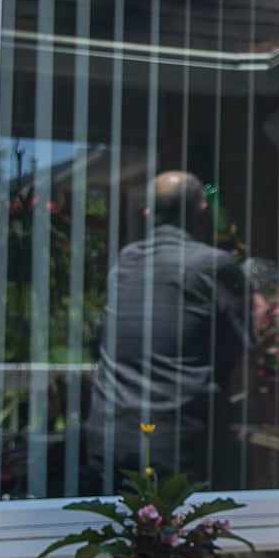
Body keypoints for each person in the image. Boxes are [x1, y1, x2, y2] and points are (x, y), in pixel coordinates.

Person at [84, 170, 251, 491]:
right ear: (202, 212)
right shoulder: (216, 266)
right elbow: (242, 355)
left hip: (110, 437)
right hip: (180, 448)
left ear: (147, 214)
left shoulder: (125, 262)